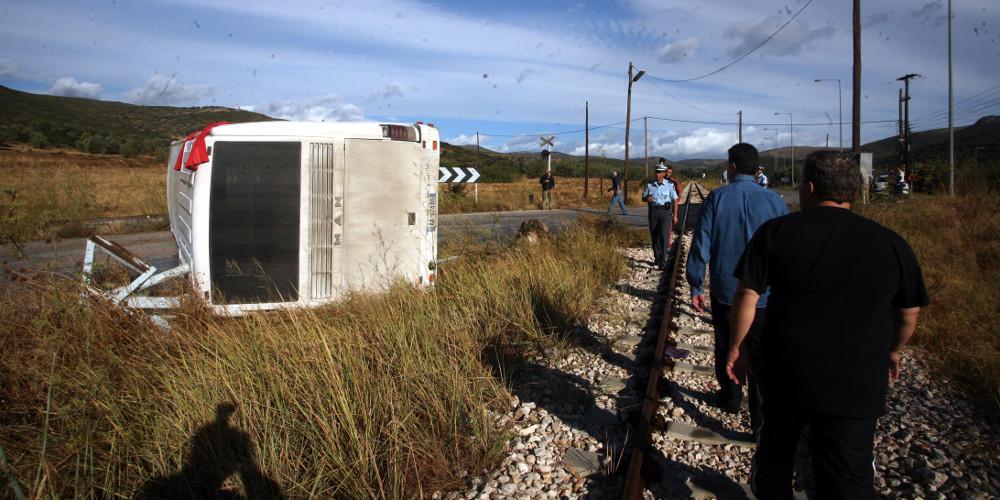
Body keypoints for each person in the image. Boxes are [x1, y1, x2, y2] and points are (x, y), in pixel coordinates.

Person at [726, 150, 928, 499]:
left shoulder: (776, 232)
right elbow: (908, 313)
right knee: (847, 470)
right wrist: (893, 350)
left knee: (776, 454)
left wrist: (737, 346)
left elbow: (747, 296)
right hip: (857, 381)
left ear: (809, 187)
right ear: (852, 189)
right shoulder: (891, 243)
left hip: (787, 371)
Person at [686, 143, 788, 422]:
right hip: (765, 294)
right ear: (756, 169)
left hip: (726, 291)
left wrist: (696, 284)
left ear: (731, 167)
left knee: (726, 343)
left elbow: (701, 243)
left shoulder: (717, 199)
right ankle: (759, 414)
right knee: (761, 349)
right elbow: (787, 248)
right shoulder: (776, 202)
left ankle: (730, 396)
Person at [642, 160, 678, 269]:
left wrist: (675, 215)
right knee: (654, 236)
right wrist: (647, 198)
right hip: (653, 212)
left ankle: (663, 260)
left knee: (664, 236)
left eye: (659, 172)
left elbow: (675, 200)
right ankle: (657, 258)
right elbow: (643, 197)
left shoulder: (669, 185)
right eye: (656, 172)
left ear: (663, 173)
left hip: (666, 213)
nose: (657, 174)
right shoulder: (649, 185)